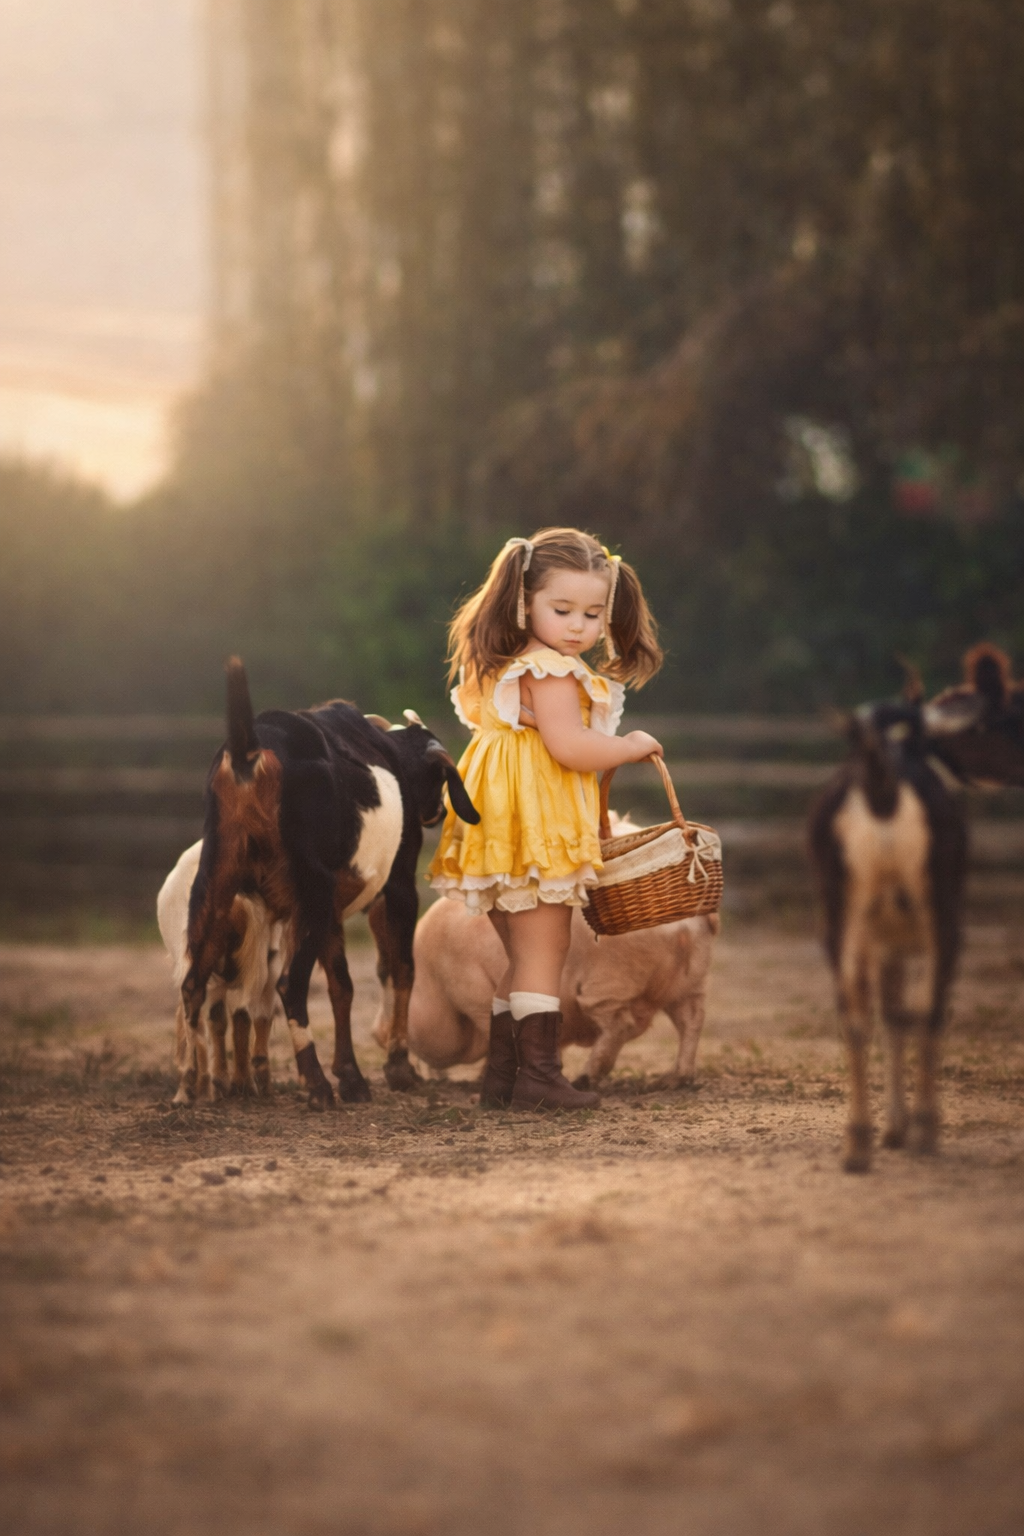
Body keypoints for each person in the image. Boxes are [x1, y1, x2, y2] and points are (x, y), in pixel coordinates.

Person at [428, 527, 664, 1110]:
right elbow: (570, 748)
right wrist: (631, 745)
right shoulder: (554, 670)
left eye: (592, 613)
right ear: (523, 602)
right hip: (535, 828)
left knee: (522, 957)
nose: (579, 627)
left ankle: (504, 1079)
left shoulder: (508, 664)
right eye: (562, 610)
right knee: (543, 954)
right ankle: (539, 1076)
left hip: (502, 825)